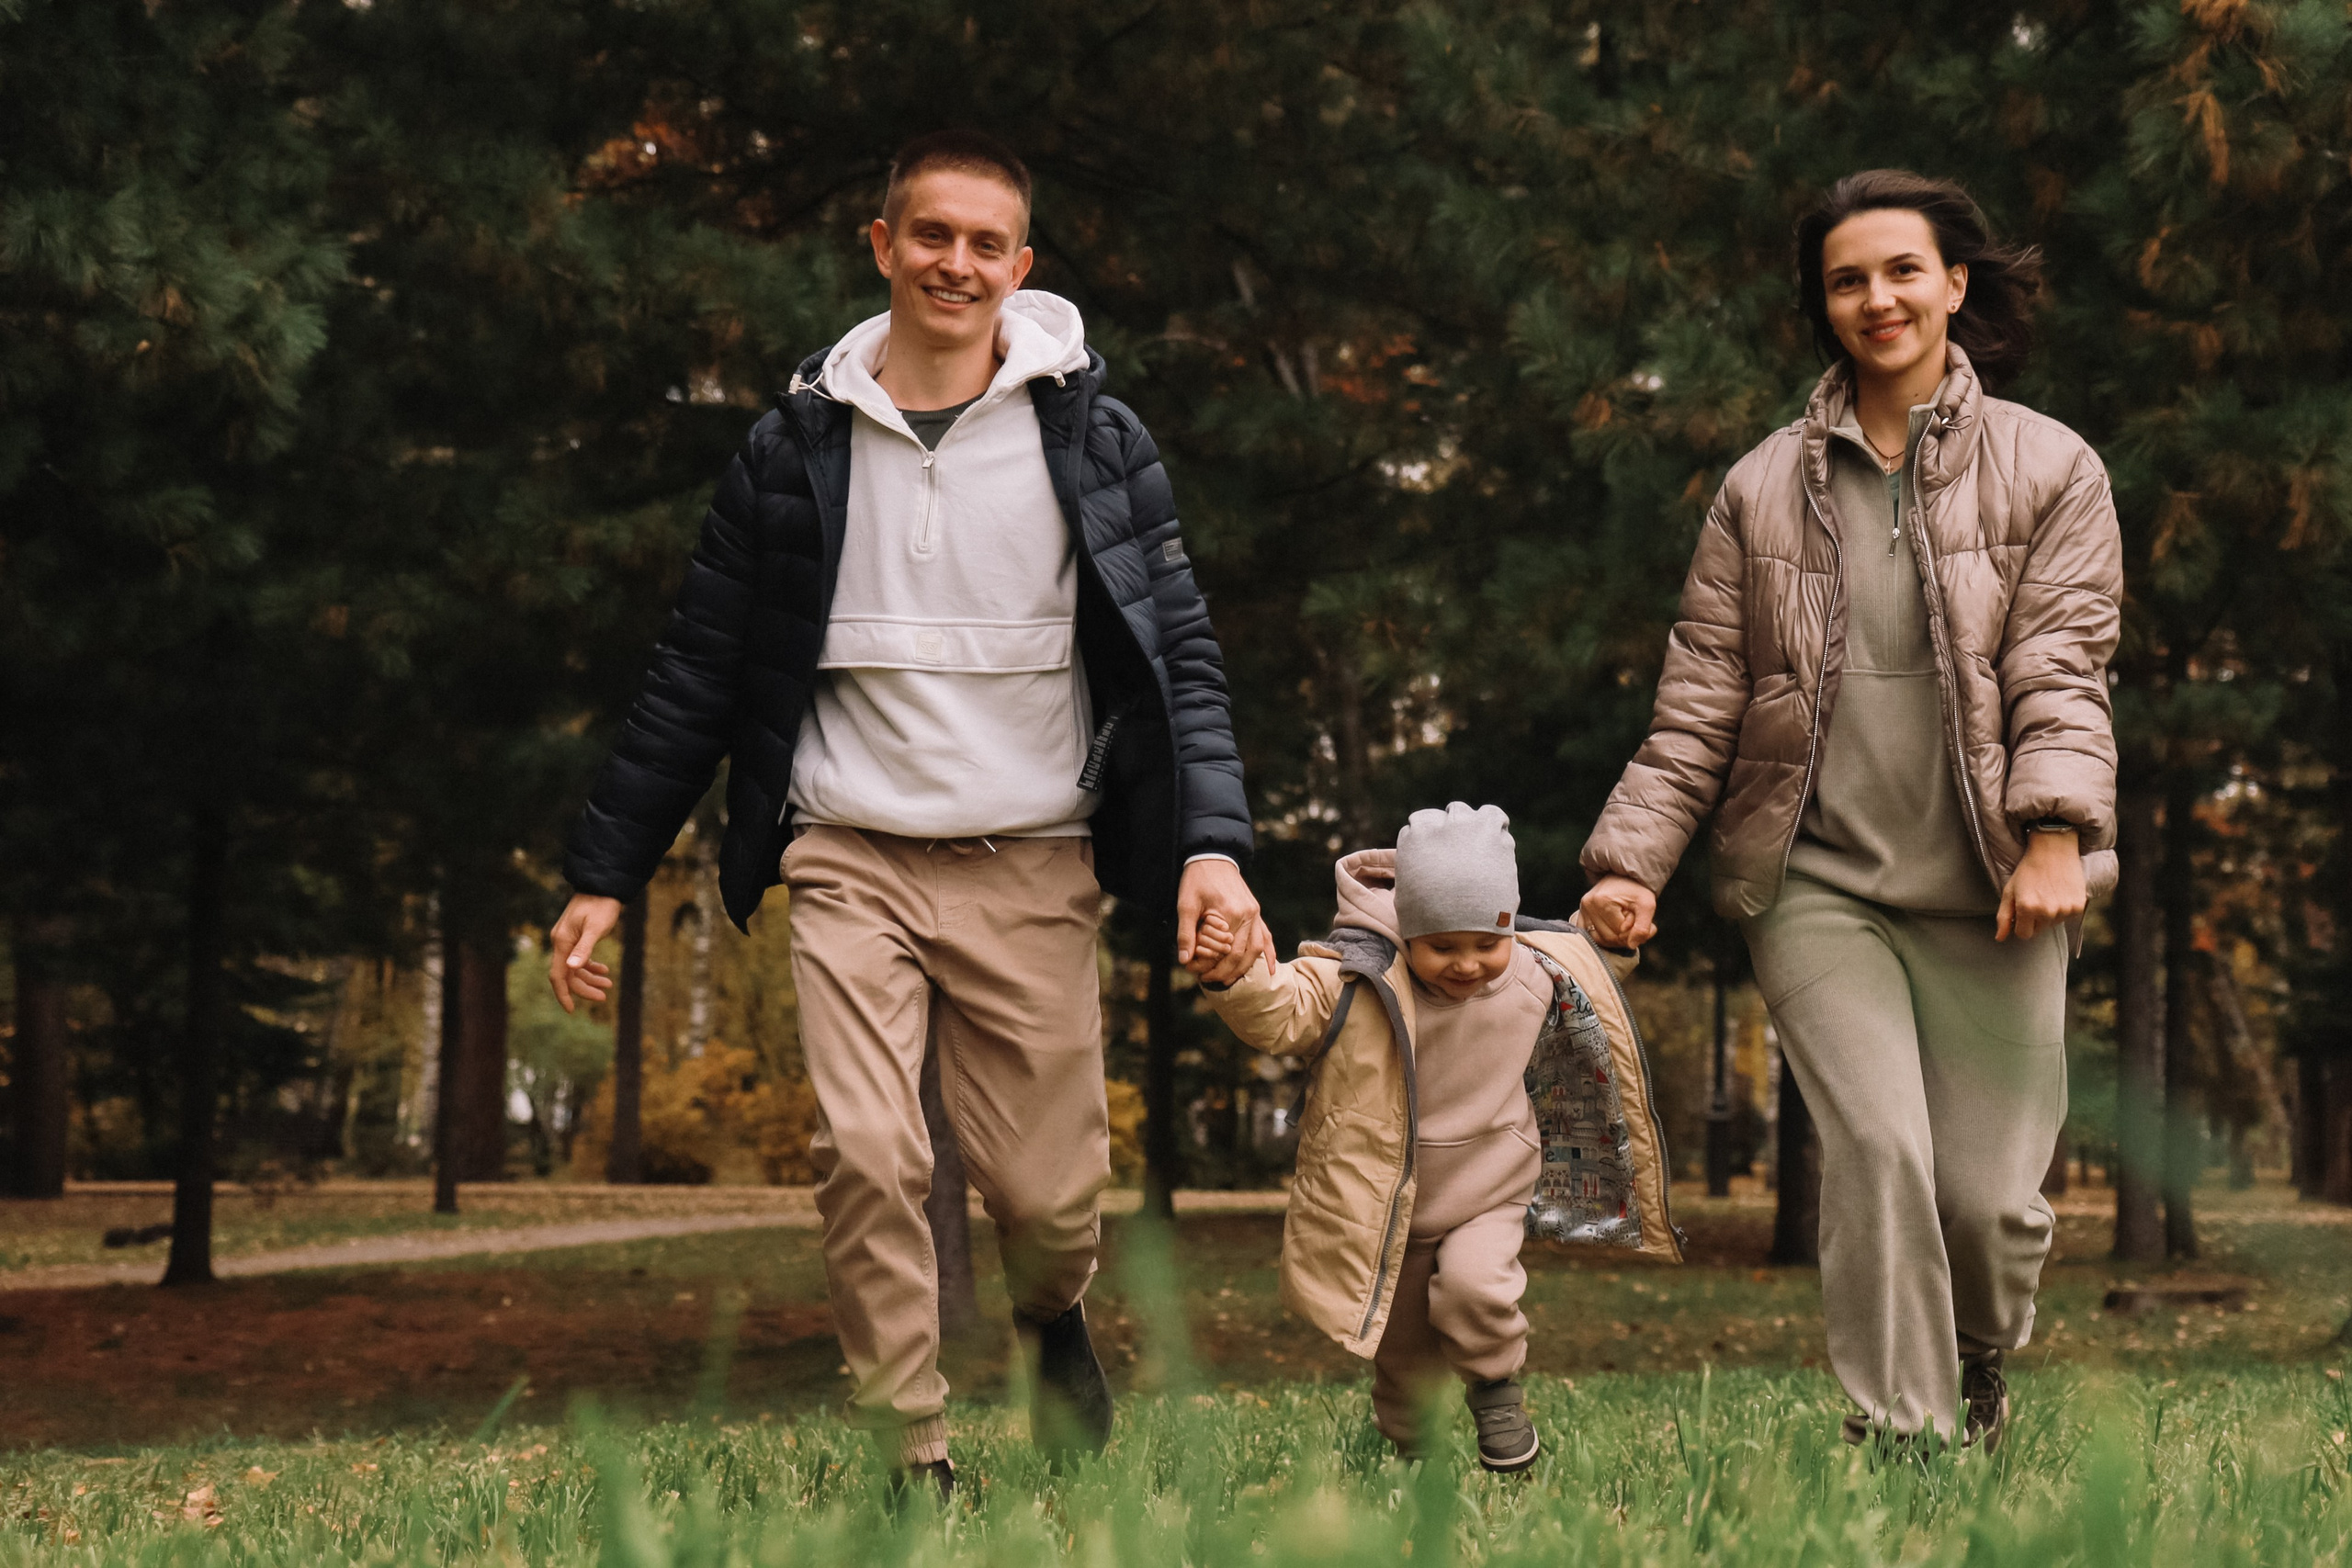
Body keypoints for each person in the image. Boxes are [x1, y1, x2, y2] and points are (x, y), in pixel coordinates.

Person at [545, 130, 1275, 1498]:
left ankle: (1052, 1314)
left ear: (1021, 265)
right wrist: (605, 867)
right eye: (930, 235)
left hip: (1034, 854)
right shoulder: (790, 447)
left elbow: (1180, 656)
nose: (956, 262)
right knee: (868, 1151)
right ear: (882, 246)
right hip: (849, 848)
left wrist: (1214, 849)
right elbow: (699, 669)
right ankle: (916, 1448)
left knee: (1051, 1201)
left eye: (986, 243)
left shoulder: (1097, 440)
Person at [1578, 170, 2122, 1453]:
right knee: (1877, 1150)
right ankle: (1907, 1435)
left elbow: (2063, 661)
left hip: (1996, 881)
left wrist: (2055, 832)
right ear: (1823, 305)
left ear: (1955, 285)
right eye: (1846, 279)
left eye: (1901, 270)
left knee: (1990, 1205)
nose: (1876, 298)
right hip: (1819, 883)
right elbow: (1702, 694)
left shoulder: (2052, 465)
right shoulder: (1762, 487)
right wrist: (1631, 860)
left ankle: (1978, 1363)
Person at [1196, 803, 1679, 1470]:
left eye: (1487, 942)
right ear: (1407, 931)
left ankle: (1497, 1393)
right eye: (1443, 946)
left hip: (1492, 1186)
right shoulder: (1359, 982)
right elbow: (1281, 1007)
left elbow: (1594, 964)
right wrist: (1234, 973)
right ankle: (1412, 1457)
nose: (1468, 964)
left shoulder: (1537, 971)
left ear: (1510, 924)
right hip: (1395, 1209)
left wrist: (1618, 938)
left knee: (1477, 1289)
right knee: (1404, 1364)